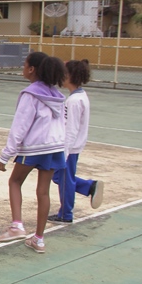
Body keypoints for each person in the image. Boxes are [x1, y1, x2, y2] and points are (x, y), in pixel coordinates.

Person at [0, 53, 67, 254]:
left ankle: (17, 225)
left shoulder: (30, 95)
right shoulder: (57, 95)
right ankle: (39, 239)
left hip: (35, 147)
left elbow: (20, 126)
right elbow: (62, 125)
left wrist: (5, 155)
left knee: (15, 182)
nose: (23, 67)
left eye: (24, 64)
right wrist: (63, 149)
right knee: (43, 192)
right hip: (55, 148)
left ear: (32, 69)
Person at [49, 59, 104, 223]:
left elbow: (71, 129)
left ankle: (66, 214)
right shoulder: (79, 96)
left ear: (70, 76)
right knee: (59, 177)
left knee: (64, 179)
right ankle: (88, 187)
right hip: (73, 146)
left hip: (70, 148)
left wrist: (63, 154)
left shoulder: (74, 101)